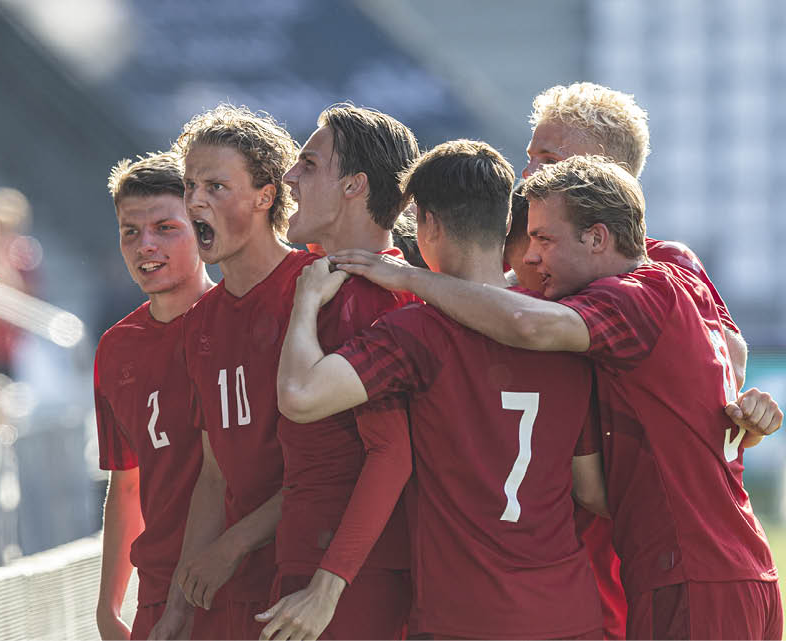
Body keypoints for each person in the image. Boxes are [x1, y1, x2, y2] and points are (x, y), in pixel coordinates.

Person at [332, 155, 781, 639]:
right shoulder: (680, 281)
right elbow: (728, 364)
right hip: (736, 565)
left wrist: (412, 278)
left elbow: (528, 324)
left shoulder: (631, 296)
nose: (529, 256)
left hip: (690, 575)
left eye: (545, 239)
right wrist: (746, 421)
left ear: (596, 238)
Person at [274, 140, 606, 639]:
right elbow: (592, 491)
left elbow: (300, 396)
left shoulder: (418, 332)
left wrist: (306, 302)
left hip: (466, 618)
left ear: (427, 223)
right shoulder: (563, 328)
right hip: (569, 614)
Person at [507, 81, 752, 639]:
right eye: (529, 157)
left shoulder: (660, 265)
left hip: (636, 542)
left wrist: (744, 411)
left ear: (601, 172)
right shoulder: (530, 253)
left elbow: (729, 356)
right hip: (546, 536)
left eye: (547, 158)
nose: (527, 174)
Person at [250, 104, 419, 640]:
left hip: (348, 585)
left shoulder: (372, 297)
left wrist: (328, 585)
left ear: (354, 186)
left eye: (309, 164)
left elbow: (392, 453)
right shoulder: (332, 283)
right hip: (316, 564)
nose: (289, 176)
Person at [149, 104, 301, 641]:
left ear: (267, 195)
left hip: (304, 580)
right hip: (229, 583)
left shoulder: (314, 289)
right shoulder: (201, 324)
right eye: (190, 186)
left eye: (216, 186)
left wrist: (235, 543)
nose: (194, 202)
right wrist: (178, 608)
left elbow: (338, 467)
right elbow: (214, 474)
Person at [94, 152, 214, 640]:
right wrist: (107, 607)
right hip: (158, 592)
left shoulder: (242, 320)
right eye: (130, 231)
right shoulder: (115, 347)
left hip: (242, 583)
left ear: (203, 230)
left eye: (166, 227)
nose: (146, 244)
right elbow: (126, 484)